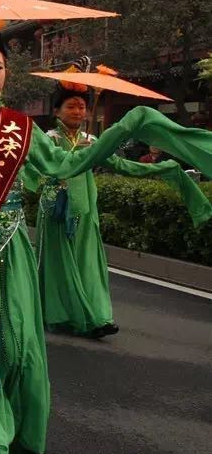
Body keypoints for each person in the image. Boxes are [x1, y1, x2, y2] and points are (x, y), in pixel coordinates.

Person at [0, 12, 212, 454]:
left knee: (18, 339)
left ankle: (13, 418)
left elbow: (61, 165)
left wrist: (123, 129)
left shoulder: (21, 127)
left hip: (14, 242)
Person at [33, 86, 206, 338]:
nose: (77, 111)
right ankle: (61, 314)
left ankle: (96, 317)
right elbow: (43, 166)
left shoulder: (94, 142)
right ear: (56, 111)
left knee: (89, 264)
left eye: (81, 107)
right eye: (70, 106)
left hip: (86, 210)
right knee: (59, 262)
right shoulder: (49, 140)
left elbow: (121, 165)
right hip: (56, 209)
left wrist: (160, 169)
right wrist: (77, 154)